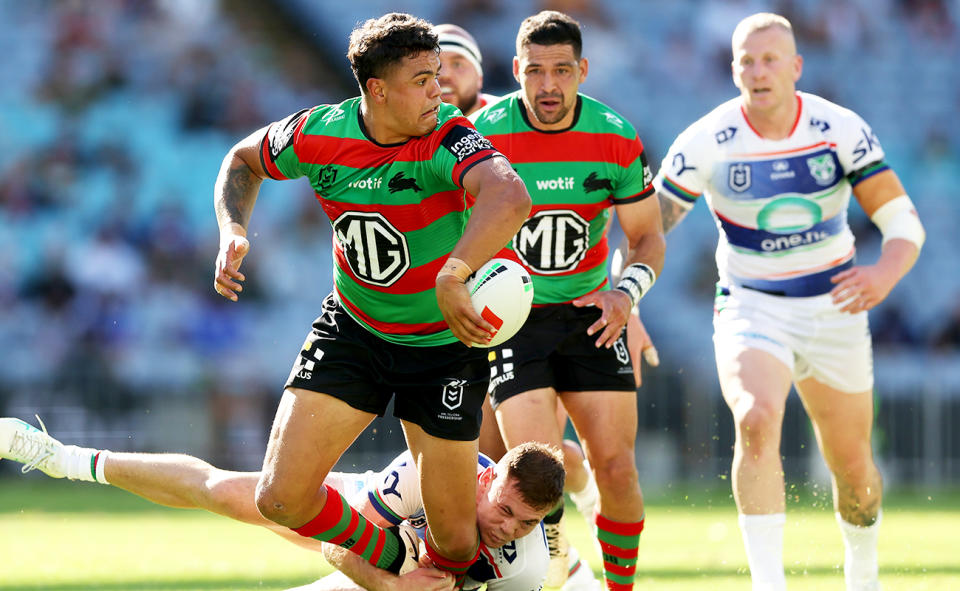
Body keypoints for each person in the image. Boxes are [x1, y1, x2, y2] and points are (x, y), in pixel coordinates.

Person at [212, 13, 531, 585]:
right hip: (354, 331)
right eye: (422, 80)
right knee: (279, 501)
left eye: (438, 75)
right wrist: (233, 229)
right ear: (377, 90)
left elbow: (509, 194)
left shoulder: (449, 134)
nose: (439, 90)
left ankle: (418, 565)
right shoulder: (319, 134)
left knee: (458, 544)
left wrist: (453, 273)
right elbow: (242, 160)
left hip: (442, 348)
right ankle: (389, 556)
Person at [653, 13, 925, 591]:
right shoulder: (706, 141)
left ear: (796, 67)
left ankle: (863, 573)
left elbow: (904, 224)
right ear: (732, 71)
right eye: (746, 61)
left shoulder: (838, 128)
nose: (758, 71)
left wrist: (884, 274)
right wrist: (621, 290)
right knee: (754, 419)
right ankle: (769, 584)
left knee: (855, 474)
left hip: (835, 309)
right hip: (751, 305)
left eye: (771, 59)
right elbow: (650, 229)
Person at [470, 11, 665, 590]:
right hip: (514, 322)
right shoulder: (483, 133)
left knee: (617, 470)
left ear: (582, 70)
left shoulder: (614, 135)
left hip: (591, 316)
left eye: (561, 70)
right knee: (537, 472)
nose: (548, 85)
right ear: (515, 71)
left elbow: (648, 236)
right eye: (535, 71)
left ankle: (618, 587)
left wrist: (625, 296)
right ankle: (550, 577)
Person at [0, 417, 603, 591]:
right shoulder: (427, 475)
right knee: (221, 490)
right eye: (504, 510)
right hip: (360, 532)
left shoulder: (521, 568)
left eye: (525, 523)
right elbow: (337, 544)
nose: (507, 529)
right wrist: (392, 586)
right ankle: (62, 457)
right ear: (486, 477)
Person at [435, 24, 500, 116]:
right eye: (436, 64)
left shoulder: (510, 118)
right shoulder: (409, 123)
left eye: (457, 64)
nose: (445, 75)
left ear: (479, 78)